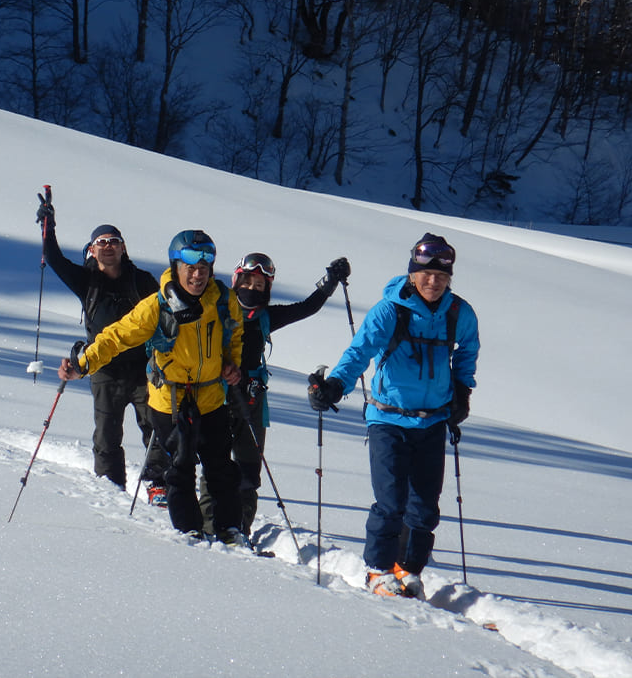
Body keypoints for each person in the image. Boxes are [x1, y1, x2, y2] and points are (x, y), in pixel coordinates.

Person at [307, 233, 479, 599]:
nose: (433, 281)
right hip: (388, 419)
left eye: (441, 275)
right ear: (413, 274)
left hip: (432, 421)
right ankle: (378, 571)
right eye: (426, 274)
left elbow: (468, 351)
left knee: (424, 507)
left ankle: (408, 569)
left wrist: (462, 391)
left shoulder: (457, 313)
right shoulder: (390, 310)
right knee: (391, 502)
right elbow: (360, 351)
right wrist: (336, 385)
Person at [59, 229, 247, 544]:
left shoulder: (225, 301)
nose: (198, 274)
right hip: (169, 401)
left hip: (212, 397)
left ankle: (230, 531)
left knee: (221, 471)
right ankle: (189, 533)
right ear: (176, 266)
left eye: (204, 267)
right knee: (180, 469)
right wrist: (84, 363)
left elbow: (235, 336)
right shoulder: (157, 306)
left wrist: (233, 365)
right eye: (190, 267)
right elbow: (116, 335)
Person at [200, 253, 351, 540]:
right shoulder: (216, 309)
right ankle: (209, 524)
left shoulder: (267, 317)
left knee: (248, 469)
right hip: (214, 397)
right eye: (248, 282)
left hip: (252, 401)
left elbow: (307, 307)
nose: (253, 289)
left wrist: (330, 282)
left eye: (260, 286)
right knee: (214, 465)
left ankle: (239, 529)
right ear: (237, 281)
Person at [35, 195, 166, 496]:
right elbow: (54, 259)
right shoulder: (86, 281)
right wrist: (48, 226)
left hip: (144, 369)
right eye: (101, 242)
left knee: (157, 429)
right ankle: (111, 488)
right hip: (105, 369)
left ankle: (158, 485)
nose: (108, 246)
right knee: (107, 435)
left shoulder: (142, 280)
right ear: (92, 251)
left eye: (114, 241)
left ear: (123, 248)